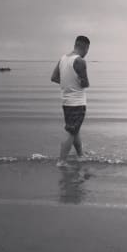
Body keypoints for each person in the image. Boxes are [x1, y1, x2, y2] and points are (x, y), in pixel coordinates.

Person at [51, 35, 90, 167]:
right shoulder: (80, 61)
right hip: (77, 103)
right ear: (85, 47)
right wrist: (77, 83)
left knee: (74, 130)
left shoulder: (63, 58)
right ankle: (62, 161)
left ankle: (80, 155)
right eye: (87, 50)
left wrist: (68, 84)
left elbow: (54, 77)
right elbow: (85, 83)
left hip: (66, 102)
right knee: (71, 132)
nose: (87, 52)